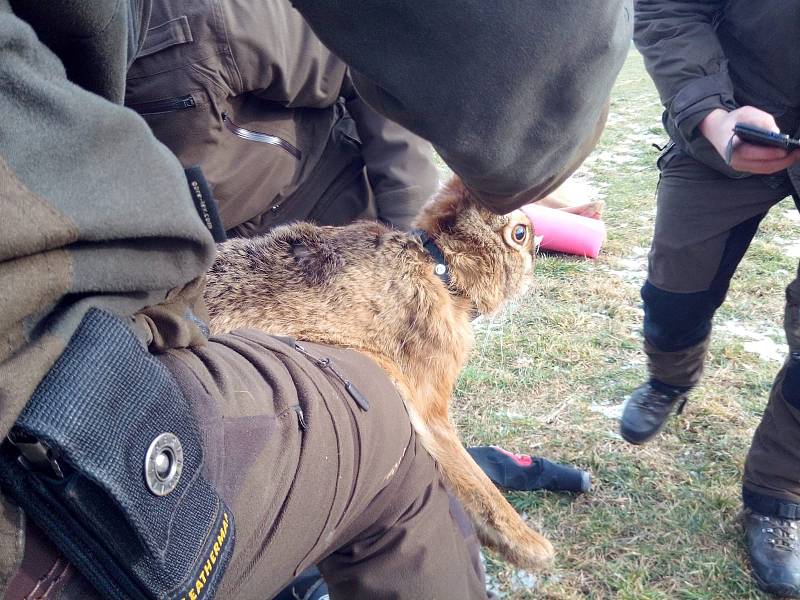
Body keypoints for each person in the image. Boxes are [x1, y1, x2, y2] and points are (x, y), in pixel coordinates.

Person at [0, 1, 631, 599]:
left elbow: (421, 84)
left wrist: (423, 252)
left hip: (329, 229)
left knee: (394, 411)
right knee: (384, 437)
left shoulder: (233, 33)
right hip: (160, 294)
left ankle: (427, 480)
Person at [621, 1, 800, 595]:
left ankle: (777, 494)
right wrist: (712, 117)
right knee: (674, 294)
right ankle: (669, 381)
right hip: (730, 120)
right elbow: (669, 9)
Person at [123, 0, 439, 235]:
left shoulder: (205, 25)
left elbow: (367, 65)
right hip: (218, 270)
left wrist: (408, 240)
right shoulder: (80, 121)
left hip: (331, 199)